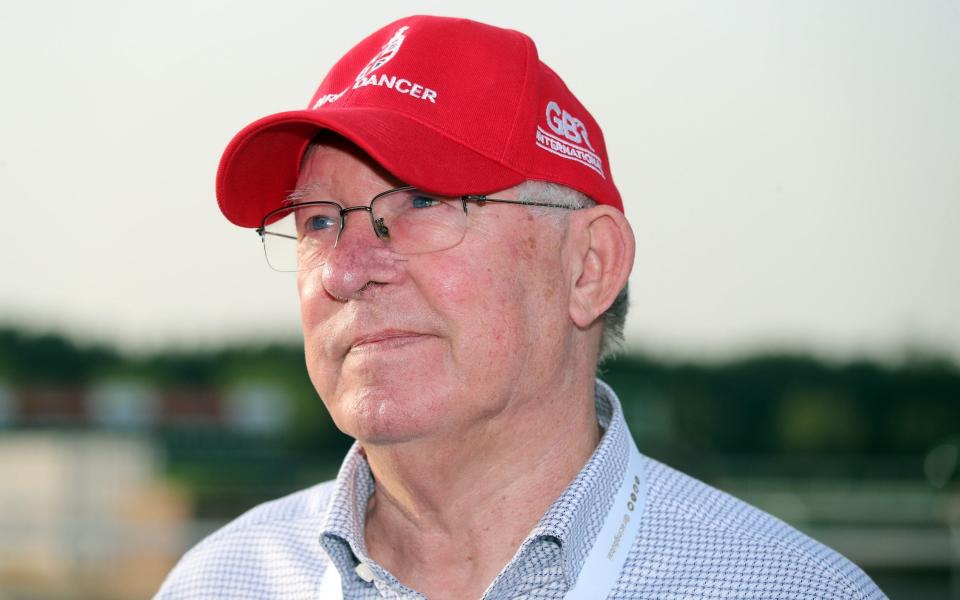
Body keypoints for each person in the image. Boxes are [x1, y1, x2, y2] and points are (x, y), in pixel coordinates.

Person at [155, 15, 886, 600]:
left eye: (423, 202)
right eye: (317, 221)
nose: (346, 268)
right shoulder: (218, 583)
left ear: (589, 267)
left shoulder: (785, 589)